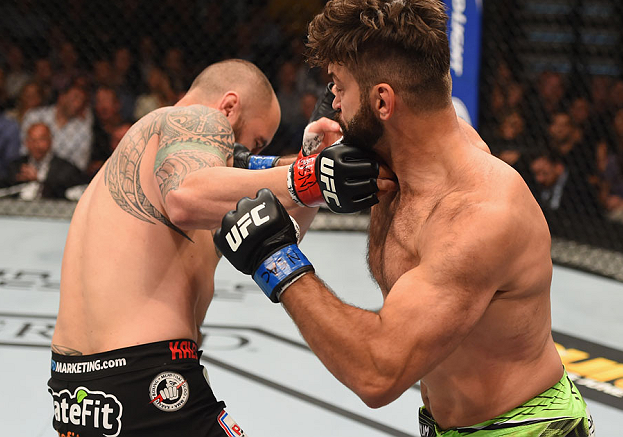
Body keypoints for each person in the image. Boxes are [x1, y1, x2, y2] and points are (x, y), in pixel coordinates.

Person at [214, 0, 594, 437]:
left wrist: (278, 262)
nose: (333, 102)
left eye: (339, 88)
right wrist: (279, 167)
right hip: (444, 423)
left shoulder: (478, 217)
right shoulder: (399, 156)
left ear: (382, 100)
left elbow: (379, 373)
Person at [47, 58, 376, 436]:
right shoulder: (192, 119)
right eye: (253, 143)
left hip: (75, 396)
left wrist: (311, 162)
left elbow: (268, 226)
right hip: (148, 380)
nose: (242, 153)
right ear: (230, 107)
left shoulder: (140, 173)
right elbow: (186, 197)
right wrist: (310, 176)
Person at [7, 122, 87, 199]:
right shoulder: (16, 166)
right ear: (26, 143)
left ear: (51, 141)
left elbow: (64, 193)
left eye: (42, 139)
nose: (37, 145)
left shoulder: (65, 169)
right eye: (32, 140)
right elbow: (8, 192)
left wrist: (39, 180)